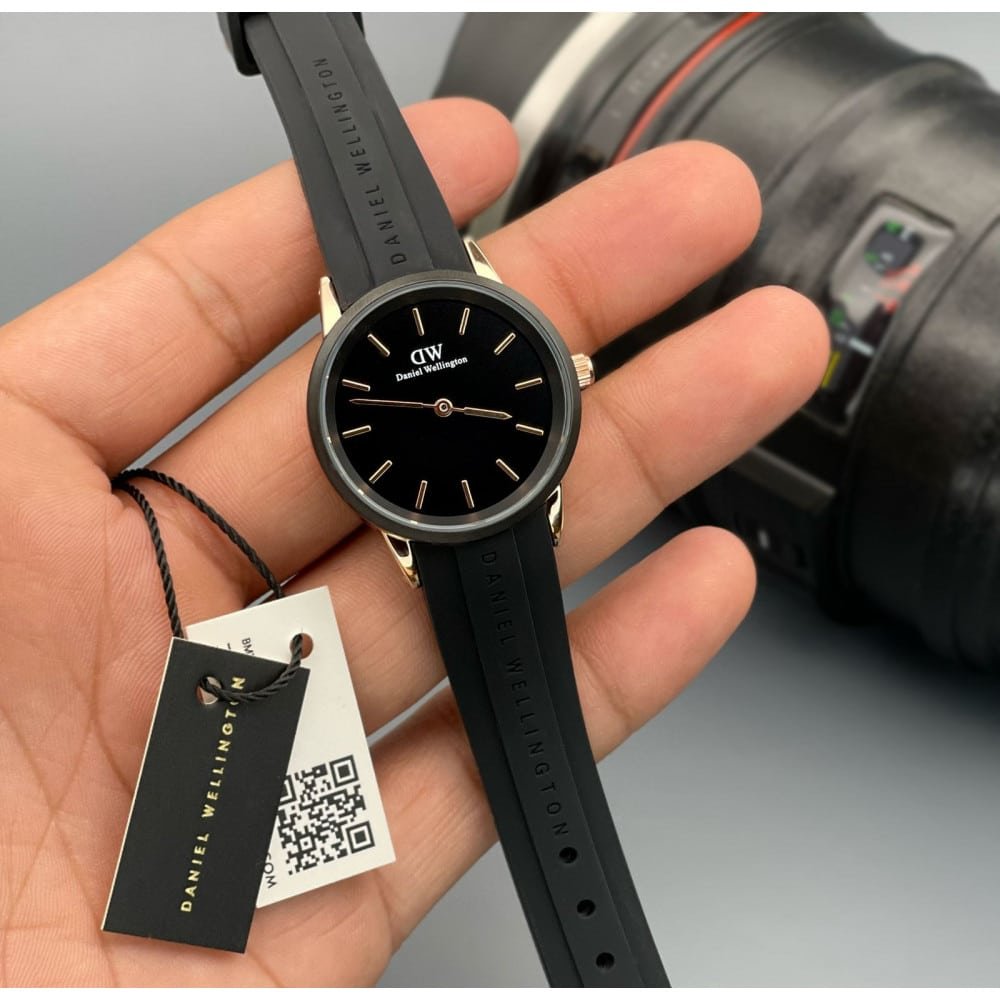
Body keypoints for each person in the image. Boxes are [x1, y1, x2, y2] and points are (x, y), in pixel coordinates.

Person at [0, 96, 826, 986]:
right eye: (424, 403)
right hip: (440, 522)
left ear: (568, 374)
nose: (440, 404)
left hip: (500, 506)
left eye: (453, 399)